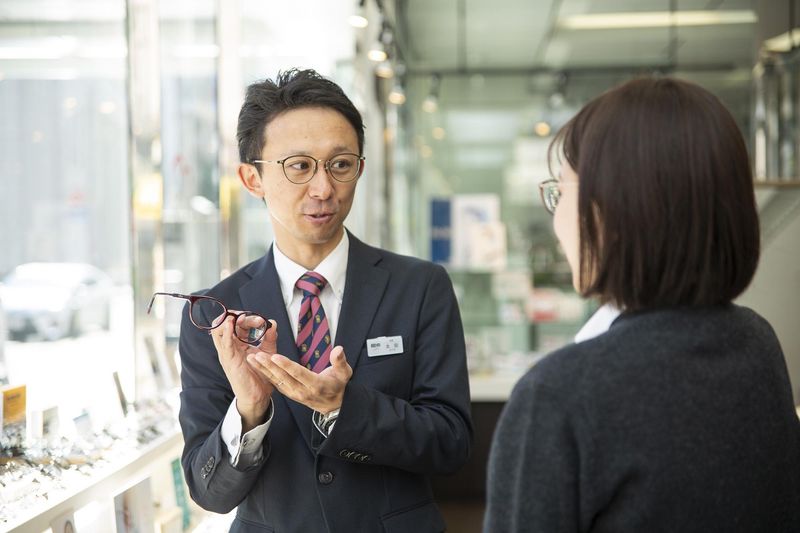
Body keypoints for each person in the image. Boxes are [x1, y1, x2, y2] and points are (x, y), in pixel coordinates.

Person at [484, 77, 800, 532]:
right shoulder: (755, 342)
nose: (557, 225)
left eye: (562, 192)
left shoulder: (561, 395)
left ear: (612, 212)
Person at [176, 69, 473, 532]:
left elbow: (450, 443)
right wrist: (250, 411)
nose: (323, 189)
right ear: (252, 178)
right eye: (299, 166)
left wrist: (343, 408)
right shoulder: (216, 313)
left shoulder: (419, 287)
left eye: (340, 164)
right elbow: (208, 490)